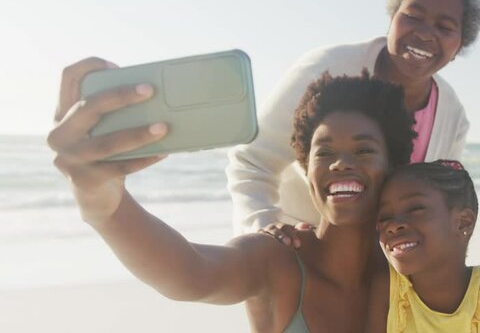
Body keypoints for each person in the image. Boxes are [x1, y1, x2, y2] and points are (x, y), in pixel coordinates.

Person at [48, 67, 413, 332]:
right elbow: (192, 273)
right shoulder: (277, 258)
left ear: (392, 165)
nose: (340, 163)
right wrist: (105, 206)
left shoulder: (412, 275)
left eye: (364, 150)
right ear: (306, 167)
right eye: (324, 151)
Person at [227, 0, 480, 235]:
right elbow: (251, 162)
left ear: (460, 45)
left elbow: (437, 205)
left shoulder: (452, 116)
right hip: (297, 253)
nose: (424, 34)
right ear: (392, 17)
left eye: (444, 27)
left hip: (380, 268)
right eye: (412, 16)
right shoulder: (325, 69)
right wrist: (264, 232)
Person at [377, 160, 480, 332]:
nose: (393, 225)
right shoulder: (387, 290)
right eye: (384, 217)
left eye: (415, 209)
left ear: (463, 223)